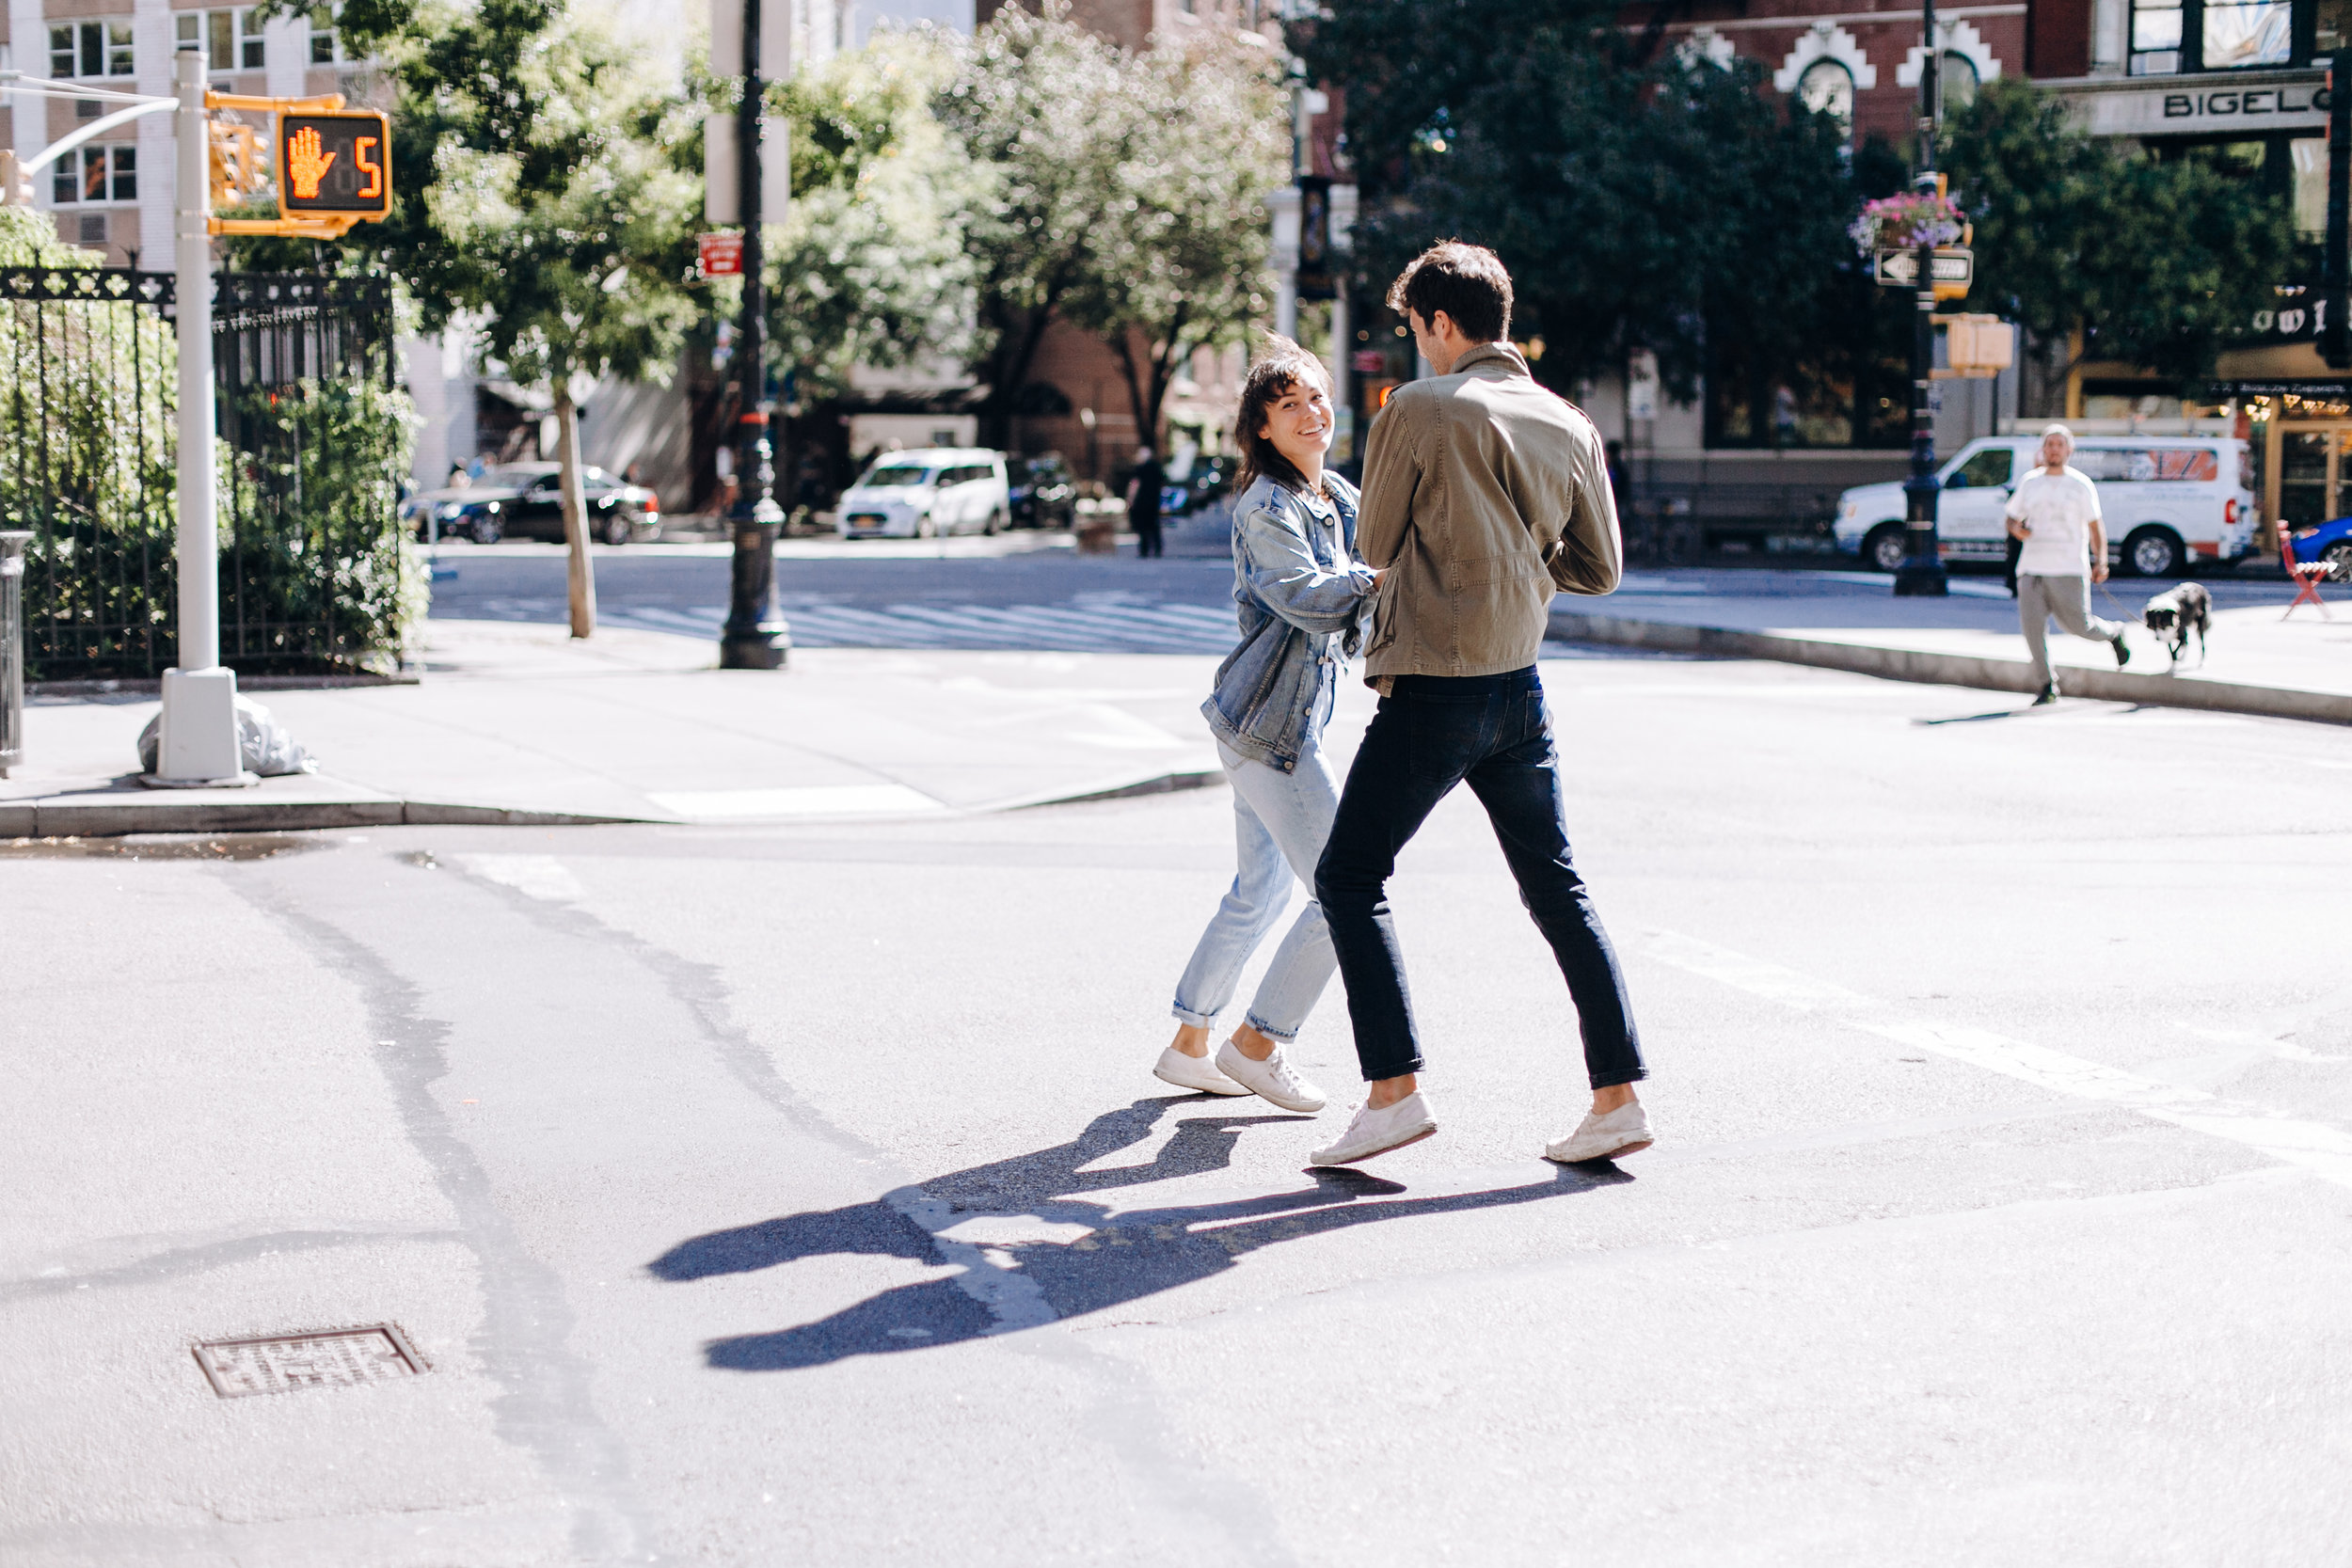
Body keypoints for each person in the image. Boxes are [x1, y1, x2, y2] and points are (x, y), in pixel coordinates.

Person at [1309, 241, 1651, 1168]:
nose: (1416, 346)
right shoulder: (1565, 420)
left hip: (1432, 684)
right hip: (1517, 691)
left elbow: (1373, 542)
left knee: (1348, 878)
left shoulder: (1417, 409)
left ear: (1440, 322)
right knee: (1557, 888)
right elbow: (1601, 568)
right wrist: (1516, 563)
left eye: (1414, 328)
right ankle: (1616, 1095)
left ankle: (1392, 1091)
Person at [1154, 340, 1380, 1114]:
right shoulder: (1265, 507)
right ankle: (1261, 1042)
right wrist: (1378, 580)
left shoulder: (1337, 497)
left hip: (1275, 723)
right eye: (1291, 406)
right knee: (1346, 891)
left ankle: (1189, 1043)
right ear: (1261, 430)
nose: (1313, 413)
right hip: (1266, 727)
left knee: (1258, 891)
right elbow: (1308, 596)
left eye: (1317, 398)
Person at [2006, 423, 2130, 705]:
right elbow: (2012, 517)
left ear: (2069, 450)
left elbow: (2096, 527)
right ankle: (2047, 685)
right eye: (2049, 444)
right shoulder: (2030, 482)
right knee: (2033, 630)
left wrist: (2101, 561)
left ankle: (2113, 633)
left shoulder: (2080, 484)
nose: (2054, 449)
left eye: (2060, 445)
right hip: (2032, 568)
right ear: (2043, 449)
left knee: (2080, 626)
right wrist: (2016, 529)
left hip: (2069, 567)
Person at [1127, 446, 1167, 559]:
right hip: (1154, 501)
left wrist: (1130, 499)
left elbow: (1135, 484)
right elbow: (1162, 483)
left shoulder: (1140, 469)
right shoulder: (1157, 468)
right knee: (1154, 525)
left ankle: (1144, 550)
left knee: (1143, 526)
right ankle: (1158, 548)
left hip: (1141, 501)